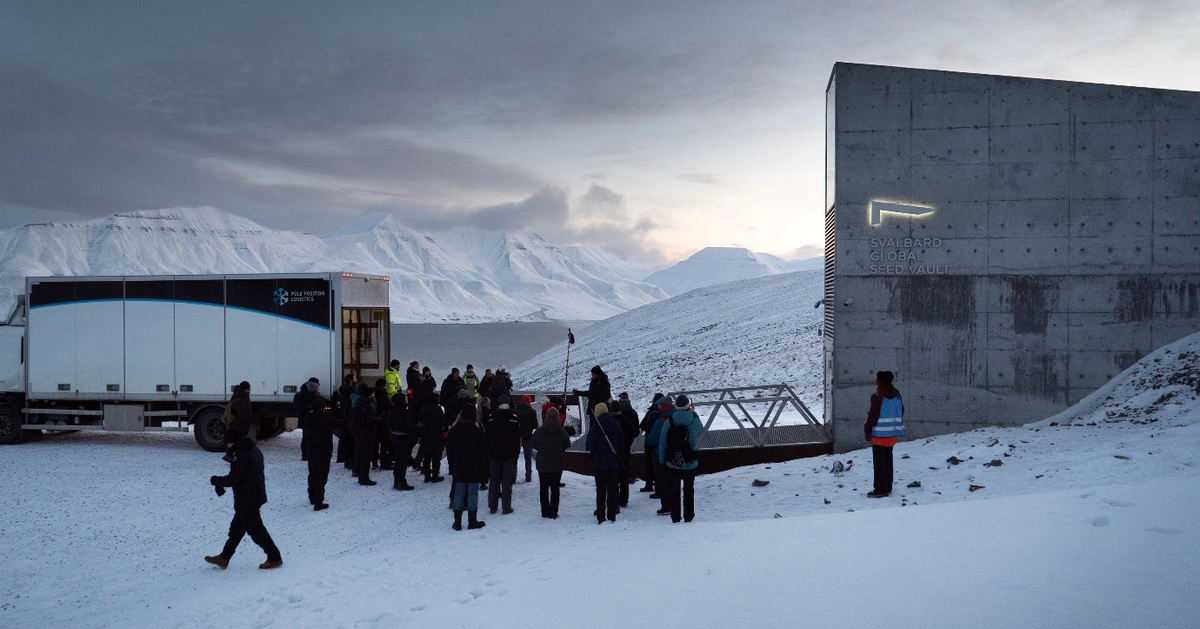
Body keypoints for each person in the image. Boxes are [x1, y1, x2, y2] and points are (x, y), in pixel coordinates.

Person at [206, 427, 283, 570]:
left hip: (247, 499)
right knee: (237, 529)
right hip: (253, 495)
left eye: (228, 443)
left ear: (233, 442)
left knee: (256, 530)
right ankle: (224, 557)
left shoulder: (240, 455)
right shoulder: (254, 450)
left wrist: (217, 481)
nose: (227, 446)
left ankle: (274, 557)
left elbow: (234, 478)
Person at [657, 395, 704, 523]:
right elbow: (701, 433)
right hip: (690, 461)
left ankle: (675, 516)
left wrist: (661, 460)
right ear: (688, 406)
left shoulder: (669, 421)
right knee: (689, 489)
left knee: (674, 490)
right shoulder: (694, 420)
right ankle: (689, 515)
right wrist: (694, 414)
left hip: (673, 461)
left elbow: (662, 442)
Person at [446, 404, 488, 531]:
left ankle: (457, 521)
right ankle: (472, 520)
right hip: (474, 467)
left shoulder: (454, 431)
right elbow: (483, 452)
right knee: (473, 494)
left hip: (459, 466)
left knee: (459, 493)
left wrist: (451, 465)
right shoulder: (477, 431)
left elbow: (449, 450)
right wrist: (485, 469)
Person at [864, 370, 905, 498]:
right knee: (888, 461)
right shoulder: (897, 395)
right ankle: (888, 487)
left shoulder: (878, 397)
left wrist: (867, 429)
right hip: (891, 434)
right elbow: (901, 411)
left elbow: (873, 416)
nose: (875, 380)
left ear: (880, 381)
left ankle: (880, 489)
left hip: (879, 435)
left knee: (879, 463)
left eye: (877, 378)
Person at [585, 402, 624, 524]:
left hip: (600, 464)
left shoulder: (595, 427)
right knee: (613, 489)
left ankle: (601, 516)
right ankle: (612, 515)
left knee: (601, 490)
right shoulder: (616, 425)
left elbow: (589, 446)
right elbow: (621, 445)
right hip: (614, 463)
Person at [485, 395, 521, 515]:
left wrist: (488, 452)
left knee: (494, 480)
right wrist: (516, 455)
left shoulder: (491, 418)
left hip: (494, 453)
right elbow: (517, 439)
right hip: (509, 454)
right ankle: (506, 507)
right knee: (507, 481)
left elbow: (487, 437)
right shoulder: (514, 418)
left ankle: (493, 506)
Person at [532, 407, 570, 518]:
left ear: (546, 416)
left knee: (543, 488)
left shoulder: (539, 431)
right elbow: (567, 444)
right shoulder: (562, 432)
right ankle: (554, 512)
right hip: (557, 464)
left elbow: (534, 445)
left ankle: (545, 512)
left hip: (543, 464)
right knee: (555, 488)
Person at [304, 389, 336, 511]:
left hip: (311, 450)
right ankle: (318, 501)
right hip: (323, 452)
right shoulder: (325, 419)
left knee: (312, 474)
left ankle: (312, 496)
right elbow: (337, 423)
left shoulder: (308, 417)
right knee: (321, 477)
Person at [614, 393, 640, 507]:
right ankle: (624, 499)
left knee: (615, 473)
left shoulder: (616, 418)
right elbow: (636, 431)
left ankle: (615, 498)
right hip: (627, 445)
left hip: (616, 448)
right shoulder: (633, 413)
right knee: (624, 471)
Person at [387, 391, 417, 490]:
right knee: (403, 461)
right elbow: (410, 426)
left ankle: (397, 481)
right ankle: (401, 482)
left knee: (398, 460)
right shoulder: (406, 412)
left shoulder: (392, 411)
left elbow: (389, 424)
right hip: (404, 437)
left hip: (395, 436)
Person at [351, 382, 377, 486]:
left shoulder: (359, 403)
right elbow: (370, 421)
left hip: (359, 431)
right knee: (366, 456)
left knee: (360, 453)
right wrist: (379, 419)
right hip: (367, 433)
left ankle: (360, 475)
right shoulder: (368, 405)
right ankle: (364, 478)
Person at [638, 393, 665, 493]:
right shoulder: (664, 413)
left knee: (649, 463)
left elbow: (642, 426)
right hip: (661, 443)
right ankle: (660, 485)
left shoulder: (651, 412)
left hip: (649, 442)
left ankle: (649, 484)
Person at [418, 392, 446, 482]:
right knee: (436, 457)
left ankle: (427, 475)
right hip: (436, 435)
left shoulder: (424, 409)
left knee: (427, 457)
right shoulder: (437, 410)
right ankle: (435, 475)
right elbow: (442, 421)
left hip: (426, 434)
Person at [515, 395, 539, 483]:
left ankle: (513, 476)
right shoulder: (532, 412)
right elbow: (535, 425)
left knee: (514, 457)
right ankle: (528, 476)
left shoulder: (515, 411)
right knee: (528, 458)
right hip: (528, 436)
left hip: (516, 437)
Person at [336, 373, 357, 469]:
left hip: (344, 417)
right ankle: (350, 461)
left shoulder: (342, 390)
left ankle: (343, 458)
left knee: (344, 438)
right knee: (350, 440)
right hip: (349, 417)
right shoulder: (351, 391)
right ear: (350, 380)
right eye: (355, 378)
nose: (356, 379)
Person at [373, 379, 394, 470]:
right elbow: (390, 407)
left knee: (375, 444)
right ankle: (384, 462)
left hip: (375, 421)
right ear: (382, 386)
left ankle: (374, 462)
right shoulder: (384, 396)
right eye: (385, 385)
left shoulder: (374, 395)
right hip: (384, 422)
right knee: (384, 443)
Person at [297, 377, 319, 461]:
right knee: (309, 437)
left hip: (304, 419)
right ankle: (307, 454)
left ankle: (305, 454)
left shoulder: (303, 393)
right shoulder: (310, 396)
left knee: (305, 437)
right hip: (308, 420)